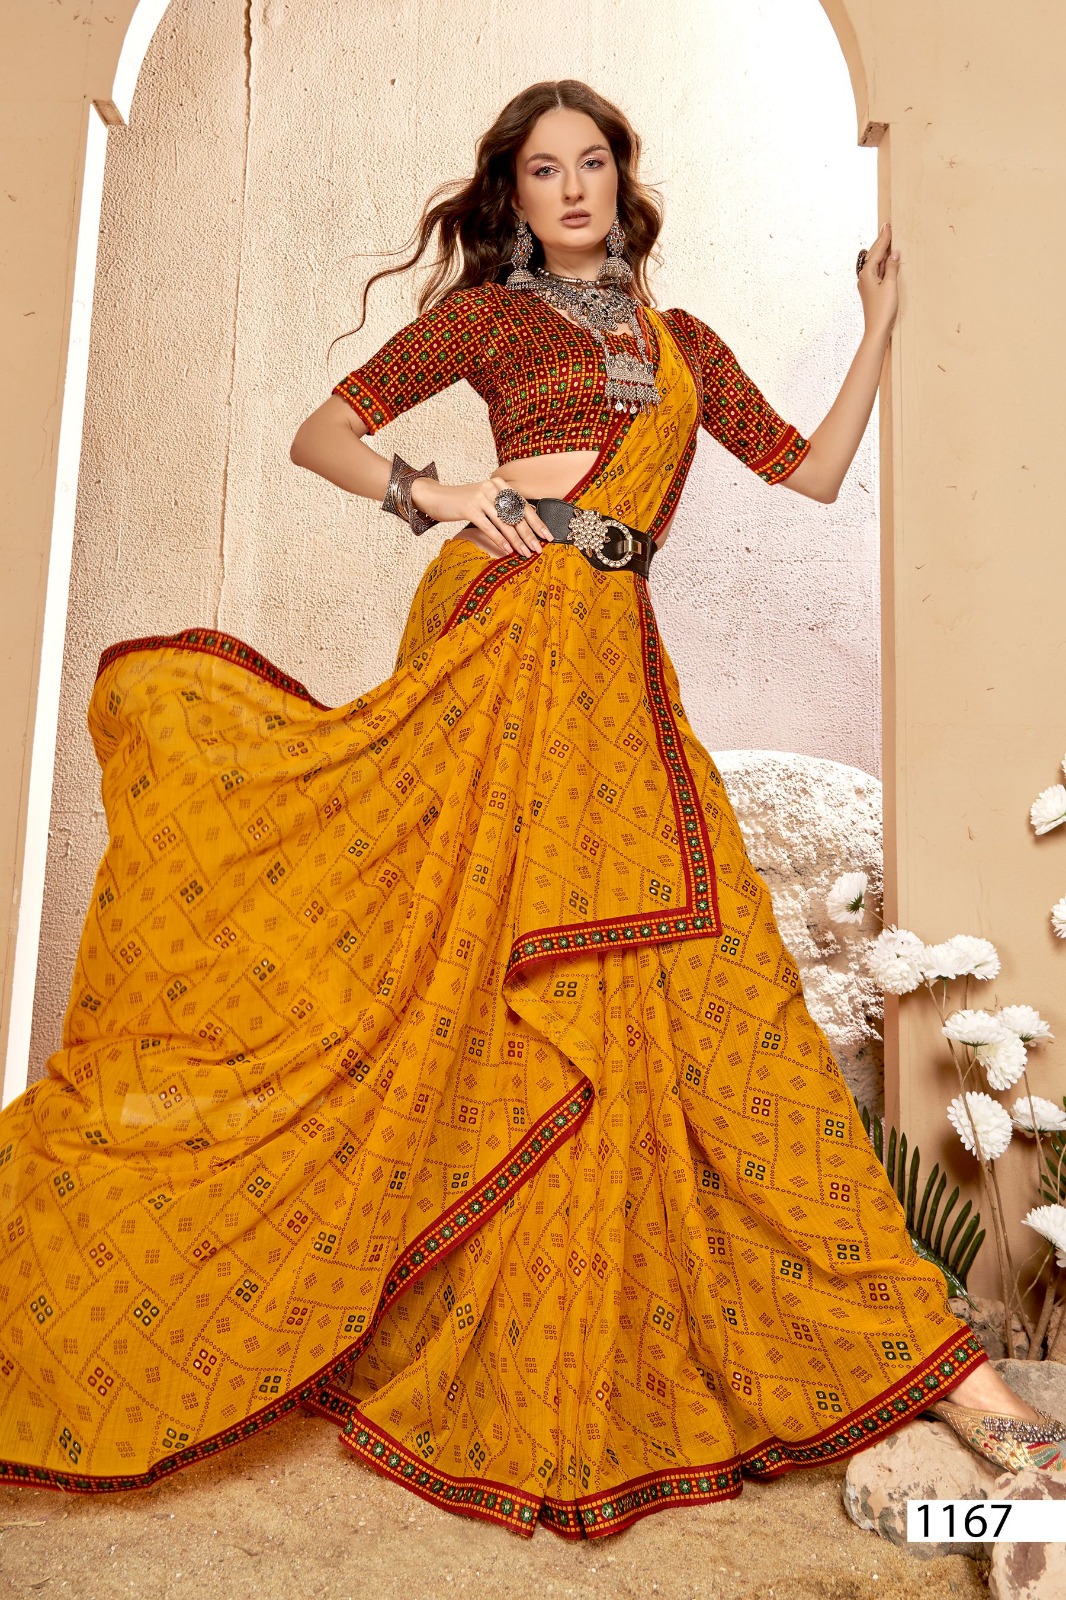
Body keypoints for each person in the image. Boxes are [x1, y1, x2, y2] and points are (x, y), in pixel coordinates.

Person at [0, 79, 1060, 1537]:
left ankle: (939, 1375)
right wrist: (436, 495)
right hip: (502, 641)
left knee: (712, 983)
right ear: (511, 194)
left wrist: (875, 327)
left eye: (591, 163)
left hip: (614, 657)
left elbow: (810, 476)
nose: (570, 188)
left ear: (624, 180)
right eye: (542, 169)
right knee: (472, 972)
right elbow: (321, 434)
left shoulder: (685, 346)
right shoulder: (491, 321)